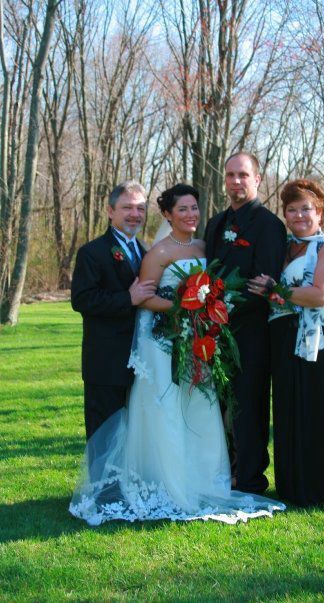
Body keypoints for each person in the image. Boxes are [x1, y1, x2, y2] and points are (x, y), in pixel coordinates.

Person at [69, 183, 285, 525]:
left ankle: (203, 478)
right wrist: (184, 309)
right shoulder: (154, 252)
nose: (190, 214)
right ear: (168, 215)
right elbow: (145, 300)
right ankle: (156, 482)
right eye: (182, 209)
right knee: (164, 409)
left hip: (196, 341)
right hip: (163, 342)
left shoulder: (203, 246)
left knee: (200, 408)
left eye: (194, 208)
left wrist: (204, 313)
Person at [248, 179, 324, 508]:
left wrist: (276, 290)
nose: (299, 215)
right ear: (285, 214)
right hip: (283, 338)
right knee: (290, 411)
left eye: (306, 209)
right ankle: (294, 486)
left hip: (320, 341)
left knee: (319, 411)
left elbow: (322, 294)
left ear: (319, 212)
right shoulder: (284, 247)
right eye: (292, 209)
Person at [204, 152, 287, 494]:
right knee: (218, 405)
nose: (236, 181)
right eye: (230, 175)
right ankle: (224, 472)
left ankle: (251, 478)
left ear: (257, 179)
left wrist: (223, 309)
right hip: (213, 333)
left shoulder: (269, 225)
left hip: (251, 333)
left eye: (242, 175)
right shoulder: (215, 223)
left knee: (248, 407)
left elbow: (262, 285)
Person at [71, 180, 156, 440]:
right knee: (105, 435)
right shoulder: (92, 252)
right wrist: (127, 298)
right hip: (106, 361)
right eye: (127, 207)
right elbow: (82, 299)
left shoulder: (148, 251)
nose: (135, 214)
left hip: (144, 358)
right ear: (110, 211)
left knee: (136, 435)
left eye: (140, 208)